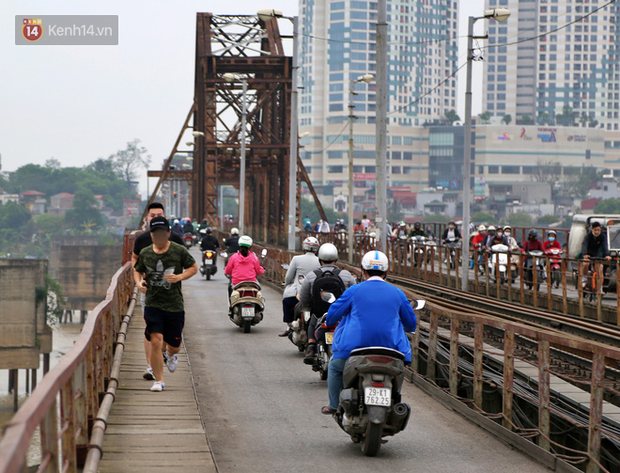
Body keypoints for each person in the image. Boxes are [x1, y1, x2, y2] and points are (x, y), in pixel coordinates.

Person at [321, 250, 417, 414]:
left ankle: (334, 406)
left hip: (352, 350)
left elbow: (332, 317)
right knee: (398, 372)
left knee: (335, 367)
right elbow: (411, 324)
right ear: (386, 272)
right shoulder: (398, 293)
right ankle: (394, 404)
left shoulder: (354, 290)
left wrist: (330, 321)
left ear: (363, 271)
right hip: (392, 351)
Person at [134, 216, 198, 392]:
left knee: (175, 346)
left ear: (168, 234)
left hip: (174, 305)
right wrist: (139, 283)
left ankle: (171, 355)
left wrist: (179, 277)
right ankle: (159, 380)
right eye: (155, 234)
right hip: (153, 303)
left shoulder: (178, 250)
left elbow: (193, 267)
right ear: (152, 235)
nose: (159, 236)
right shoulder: (146, 252)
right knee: (156, 340)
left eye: (162, 233)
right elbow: (137, 270)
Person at [132, 202, 185, 381]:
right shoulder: (141, 240)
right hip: (149, 292)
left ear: (165, 216)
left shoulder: (176, 239)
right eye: (152, 215)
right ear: (147, 218)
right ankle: (151, 367)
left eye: (159, 215)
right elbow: (134, 259)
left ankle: (169, 354)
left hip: (171, 295)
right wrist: (138, 281)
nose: (155, 217)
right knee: (151, 330)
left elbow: (186, 263)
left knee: (169, 336)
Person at [298, 243, 355, 364]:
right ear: (336, 259)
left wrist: (308, 306)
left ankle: (311, 347)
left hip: (319, 314)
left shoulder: (311, 276)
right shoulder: (346, 275)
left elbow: (304, 299)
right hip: (341, 314)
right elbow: (354, 295)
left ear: (319, 259)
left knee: (311, 323)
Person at [280, 236, 320, 337]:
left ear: (304, 247)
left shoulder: (296, 259)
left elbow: (289, 277)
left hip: (297, 295)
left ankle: (289, 327)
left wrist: (287, 283)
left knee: (286, 302)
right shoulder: (319, 261)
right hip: (314, 297)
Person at [224, 235, 265, 299]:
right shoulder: (254, 258)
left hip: (236, 283)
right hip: (252, 283)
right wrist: (262, 270)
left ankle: (231, 306)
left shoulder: (234, 257)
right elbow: (258, 271)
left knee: (230, 289)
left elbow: (227, 271)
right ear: (250, 246)